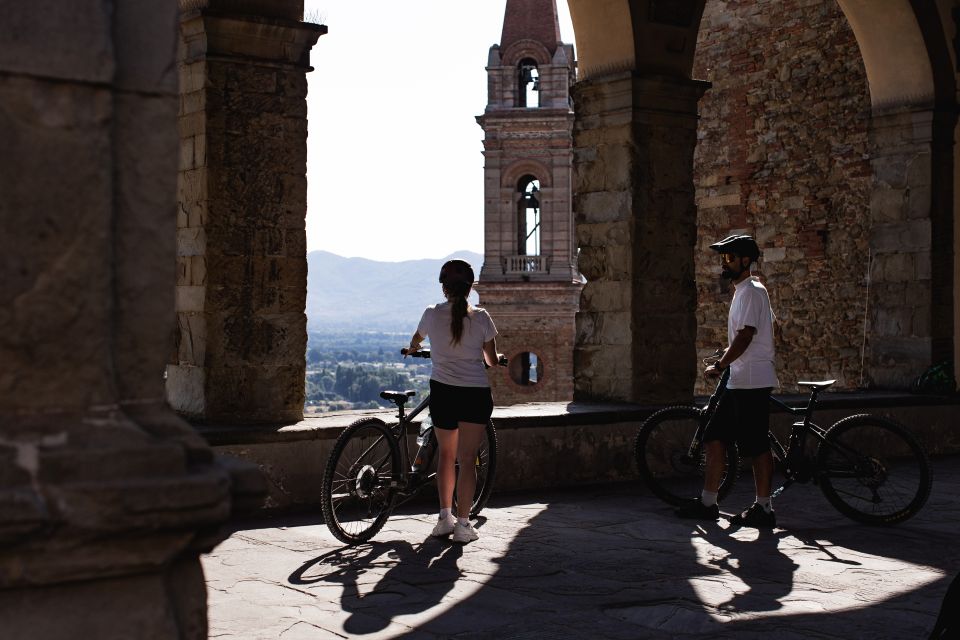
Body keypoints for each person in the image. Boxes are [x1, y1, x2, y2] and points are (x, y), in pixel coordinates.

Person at [676, 234, 780, 528]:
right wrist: (727, 355)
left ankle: (764, 508)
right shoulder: (745, 290)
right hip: (739, 380)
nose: (725, 263)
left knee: (758, 446)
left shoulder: (751, 292)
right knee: (714, 438)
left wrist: (721, 364)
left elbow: (747, 335)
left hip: (751, 381)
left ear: (745, 260)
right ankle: (708, 503)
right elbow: (748, 336)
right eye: (724, 258)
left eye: (730, 257)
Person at [406, 259, 502, 543]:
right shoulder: (482, 317)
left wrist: (414, 349)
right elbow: (492, 361)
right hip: (474, 394)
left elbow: (416, 341)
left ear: (444, 288)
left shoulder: (431, 314)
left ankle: (444, 518)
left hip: (443, 392)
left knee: (446, 457)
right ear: (470, 288)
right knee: (467, 459)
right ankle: (463, 524)